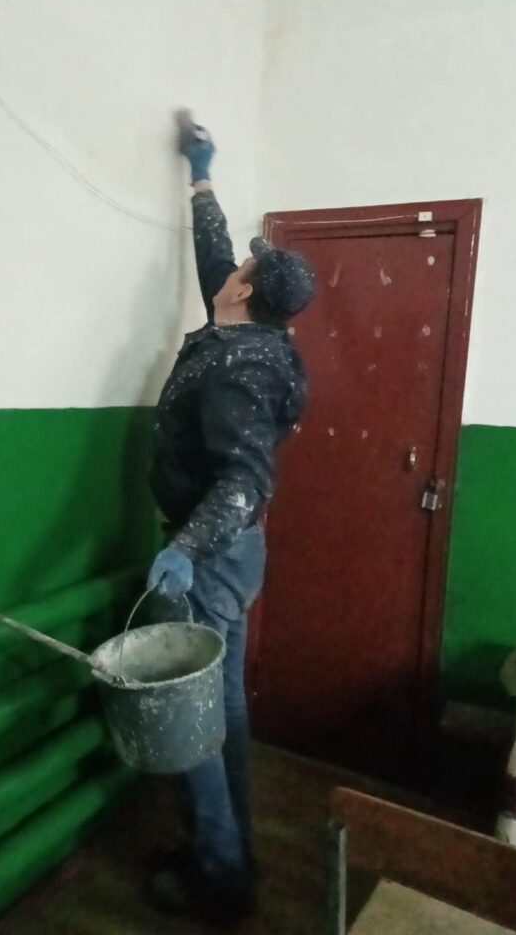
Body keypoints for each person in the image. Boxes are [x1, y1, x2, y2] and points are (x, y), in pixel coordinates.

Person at [146, 117, 315, 926]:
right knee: (226, 707)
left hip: (211, 553)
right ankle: (238, 847)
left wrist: (184, 547)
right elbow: (216, 256)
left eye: (243, 268)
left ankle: (219, 877)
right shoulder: (257, 335)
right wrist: (200, 175)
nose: (233, 267)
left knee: (196, 717)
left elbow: (244, 481)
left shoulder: (238, 369)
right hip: (237, 553)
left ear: (245, 291)